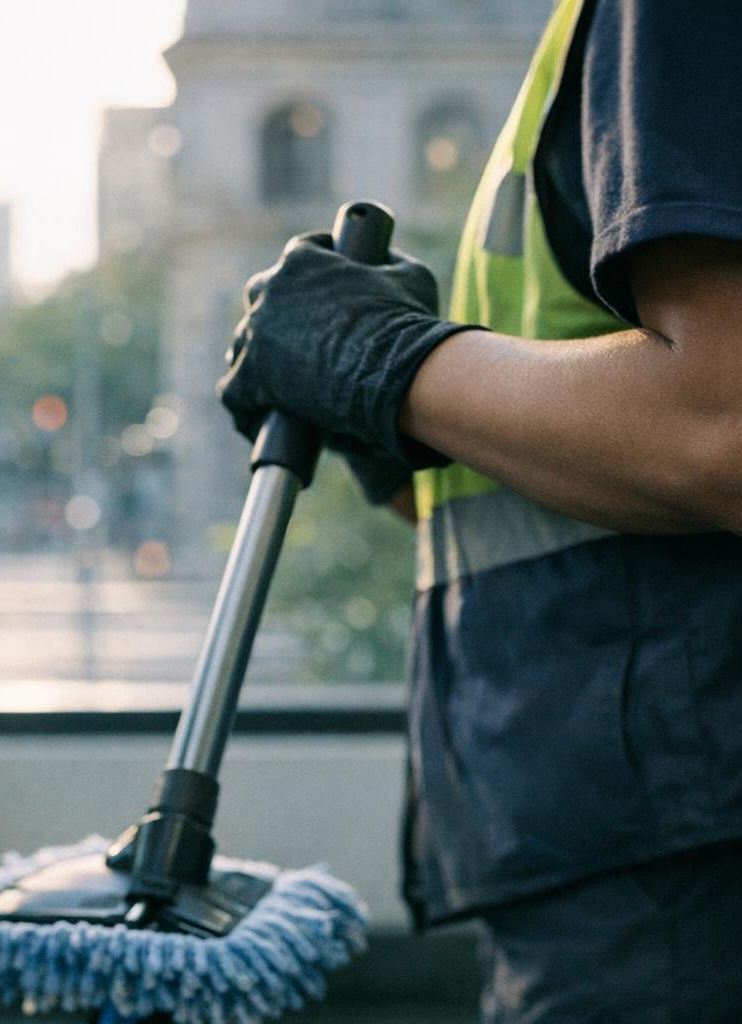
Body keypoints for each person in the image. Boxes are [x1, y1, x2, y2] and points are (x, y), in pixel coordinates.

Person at [217, 1, 742, 1020]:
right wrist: (399, 421)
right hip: (617, 835)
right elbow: (601, 493)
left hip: (676, 860)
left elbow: (722, 432)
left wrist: (386, 361)